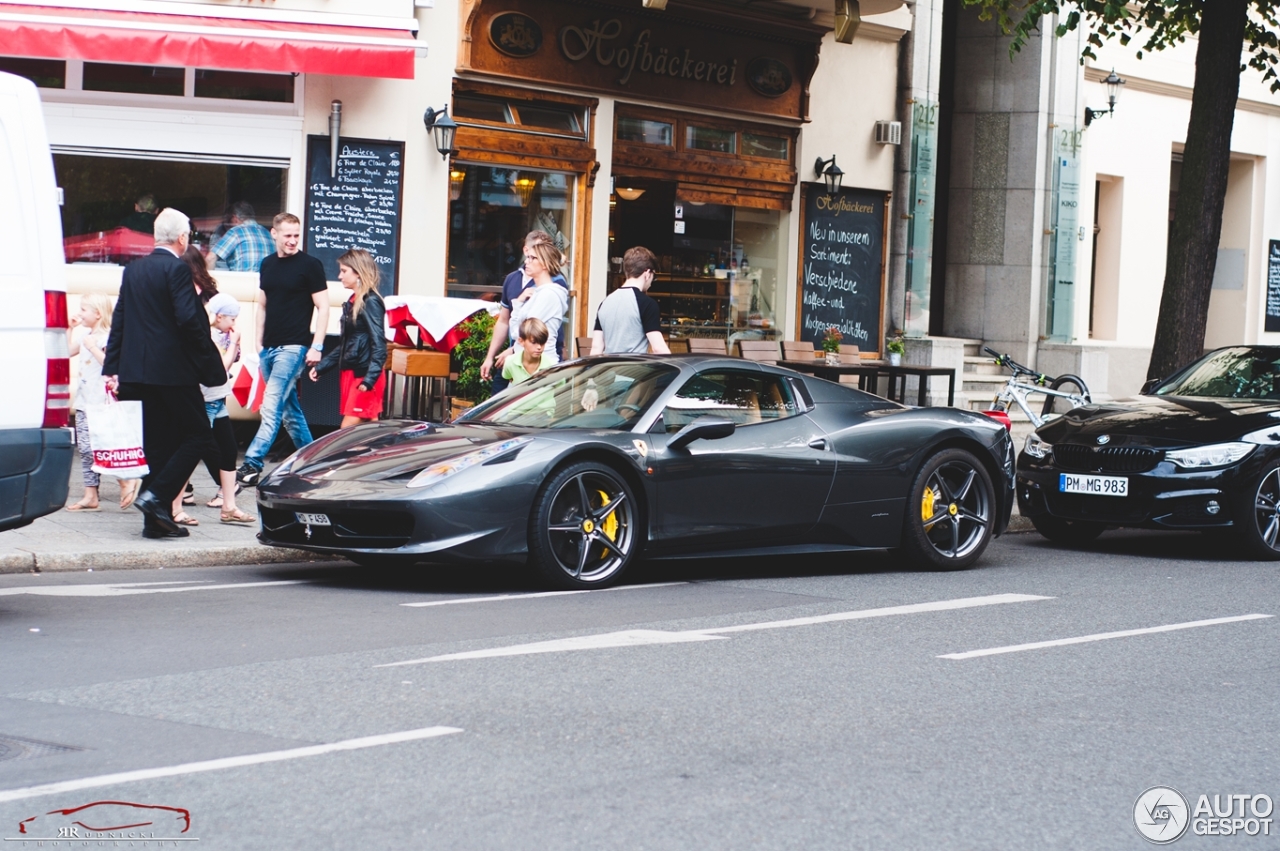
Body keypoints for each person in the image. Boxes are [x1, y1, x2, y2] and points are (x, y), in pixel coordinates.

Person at [102, 207, 219, 539]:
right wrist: (204, 362)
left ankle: (155, 522)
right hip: (172, 372)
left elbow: (120, 319)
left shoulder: (134, 270)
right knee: (198, 435)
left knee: (158, 445)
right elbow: (187, 320)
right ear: (182, 238)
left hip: (136, 373)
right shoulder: (178, 271)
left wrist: (112, 368)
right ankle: (155, 497)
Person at [236, 213, 330, 485]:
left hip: (294, 347)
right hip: (269, 348)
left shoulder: (310, 265)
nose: (292, 241)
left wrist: (317, 346)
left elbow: (323, 307)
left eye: (296, 236)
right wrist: (258, 342)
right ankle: (314, 462)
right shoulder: (267, 264)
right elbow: (263, 305)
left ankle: (252, 463)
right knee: (290, 412)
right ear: (273, 234)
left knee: (271, 405)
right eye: (287, 235)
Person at [65, 294, 138, 511]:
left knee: (101, 446)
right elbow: (66, 352)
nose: (81, 313)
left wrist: (93, 347)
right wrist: (70, 329)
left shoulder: (108, 337)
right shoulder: (86, 335)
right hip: (84, 400)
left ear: (98, 313)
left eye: (84, 309)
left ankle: (125, 480)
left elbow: (112, 365)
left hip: (101, 401)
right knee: (85, 447)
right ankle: (90, 493)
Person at [480, 230, 569, 394]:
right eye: (528, 257)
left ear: (544, 263)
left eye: (533, 258)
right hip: (524, 365)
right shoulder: (534, 291)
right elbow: (515, 329)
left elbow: (522, 332)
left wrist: (518, 316)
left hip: (540, 368)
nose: (527, 261)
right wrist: (519, 302)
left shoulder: (549, 294)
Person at [310, 248, 387, 427]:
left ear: (358, 272)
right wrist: (322, 367)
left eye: (344, 271)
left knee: (347, 432)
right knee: (365, 431)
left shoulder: (370, 301)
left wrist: (369, 379)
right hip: (354, 373)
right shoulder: (355, 301)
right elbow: (349, 343)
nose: (339, 276)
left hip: (363, 374)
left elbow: (379, 343)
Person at [200, 293, 254, 524]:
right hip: (207, 398)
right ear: (220, 316)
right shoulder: (209, 336)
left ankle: (229, 505)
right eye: (232, 319)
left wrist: (234, 346)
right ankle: (173, 502)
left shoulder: (220, 334)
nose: (234, 324)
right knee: (193, 450)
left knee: (229, 450)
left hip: (218, 398)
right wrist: (233, 344)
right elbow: (220, 368)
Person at [590, 245, 670, 356]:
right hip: (634, 372)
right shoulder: (647, 304)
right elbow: (658, 349)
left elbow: (596, 348)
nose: (652, 281)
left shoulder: (605, 303)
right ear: (647, 274)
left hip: (609, 371)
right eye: (653, 276)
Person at [206, 202, 274, 273]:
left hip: (242, 282)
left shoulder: (236, 231)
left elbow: (210, 259)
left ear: (234, 218)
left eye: (227, 222)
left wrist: (207, 282)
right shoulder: (268, 233)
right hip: (266, 282)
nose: (226, 227)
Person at [502, 317, 555, 385]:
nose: (539, 347)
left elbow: (559, 389)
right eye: (533, 342)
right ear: (521, 341)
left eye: (542, 342)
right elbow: (509, 378)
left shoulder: (552, 366)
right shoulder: (510, 362)